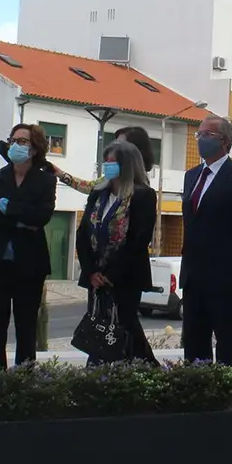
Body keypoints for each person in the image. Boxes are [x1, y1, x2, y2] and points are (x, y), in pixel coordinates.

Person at [179, 115, 232, 366]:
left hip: (226, 281)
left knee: (227, 348)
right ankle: (198, 396)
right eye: (199, 134)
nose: (201, 139)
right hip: (194, 278)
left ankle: (225, 397)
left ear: (225, 141)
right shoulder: (191, 176)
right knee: (194, 347)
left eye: (208, 134)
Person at [0, 124, 58, 369]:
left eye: (22, 141)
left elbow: (40, 217)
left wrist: (5, 206)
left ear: (34, 149)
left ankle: (24, 379)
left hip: (29, 264)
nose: (15, 145)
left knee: (26, 326)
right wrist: (19, 215)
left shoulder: (45, 180)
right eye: (13, 140)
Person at [75, 140, 159, 365]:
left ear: (127, 165)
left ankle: (144, 369)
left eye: (113, 162)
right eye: (106, 161)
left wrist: (110, 274)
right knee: (99, 325)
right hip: (96, 277)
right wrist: (91, 271)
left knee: (125, 325)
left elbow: (138, 240)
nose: (108, 166)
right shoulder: (98, 194)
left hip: (125, 277)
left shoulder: (143, 195)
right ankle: (98, 371)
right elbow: (83, 233)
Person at [47, 126, 156, 193]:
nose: (114, 149)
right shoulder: (110, 179)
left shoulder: (142, 191)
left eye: (120, 145)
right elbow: (89, 187)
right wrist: (60, 173)